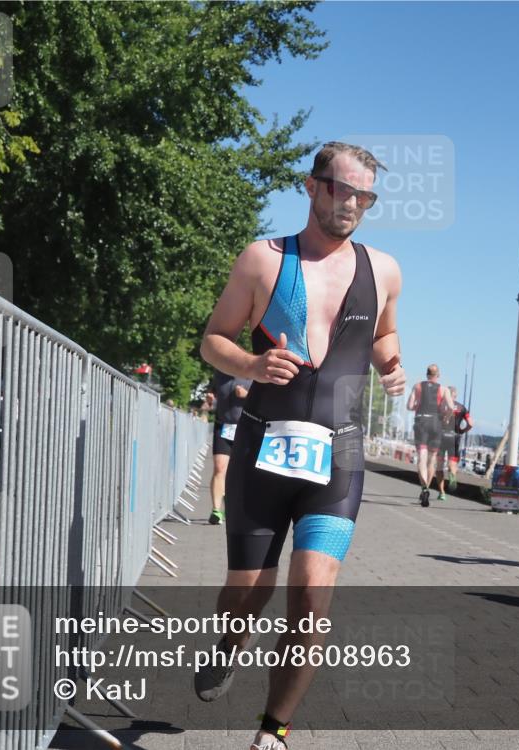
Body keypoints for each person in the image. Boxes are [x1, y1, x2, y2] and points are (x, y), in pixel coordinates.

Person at [196, 141, 405, 750]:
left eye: (365, 196)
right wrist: (253, 364)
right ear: (311, 187)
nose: (353, 205)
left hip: (338, 457)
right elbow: (213, 339)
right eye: (342, 190)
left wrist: (392, 366)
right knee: (247, 592)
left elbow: (386, 336)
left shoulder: (383, 270)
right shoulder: (263, 260)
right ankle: (228, 644)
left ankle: (274, 731)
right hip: (263, 450)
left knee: (312, 593)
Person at [207, 369, 252, 525]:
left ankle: (234, 507)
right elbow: (212, 392)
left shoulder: (253, 373)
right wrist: (210, 397)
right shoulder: (220, 373)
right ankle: (216, 510)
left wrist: (247, 395)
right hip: (223, 426)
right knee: (219, 467)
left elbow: (266, 400)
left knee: (241, 472)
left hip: (245, 428)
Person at [406, 365, 453, 506]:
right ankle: (427, 486)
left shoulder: (418, 386)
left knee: (422, 458)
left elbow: (409, 406)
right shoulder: (444, 389)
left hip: (421, 421)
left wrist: (417, 407)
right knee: (432, 459)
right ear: (438, 375)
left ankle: (424, 488)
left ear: (427, 374)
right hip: (436, 423)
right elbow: (451, 407)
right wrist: (446, 418)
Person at [436, 385, 473, 498]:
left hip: (442, 436)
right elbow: (471, 424)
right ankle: (452, 474)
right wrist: (462, 430)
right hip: (455, 437)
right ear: (455, 395)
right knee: (452, 462)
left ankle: (442, 493)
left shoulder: (441, 406)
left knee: (439, 466)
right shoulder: (462, 408)